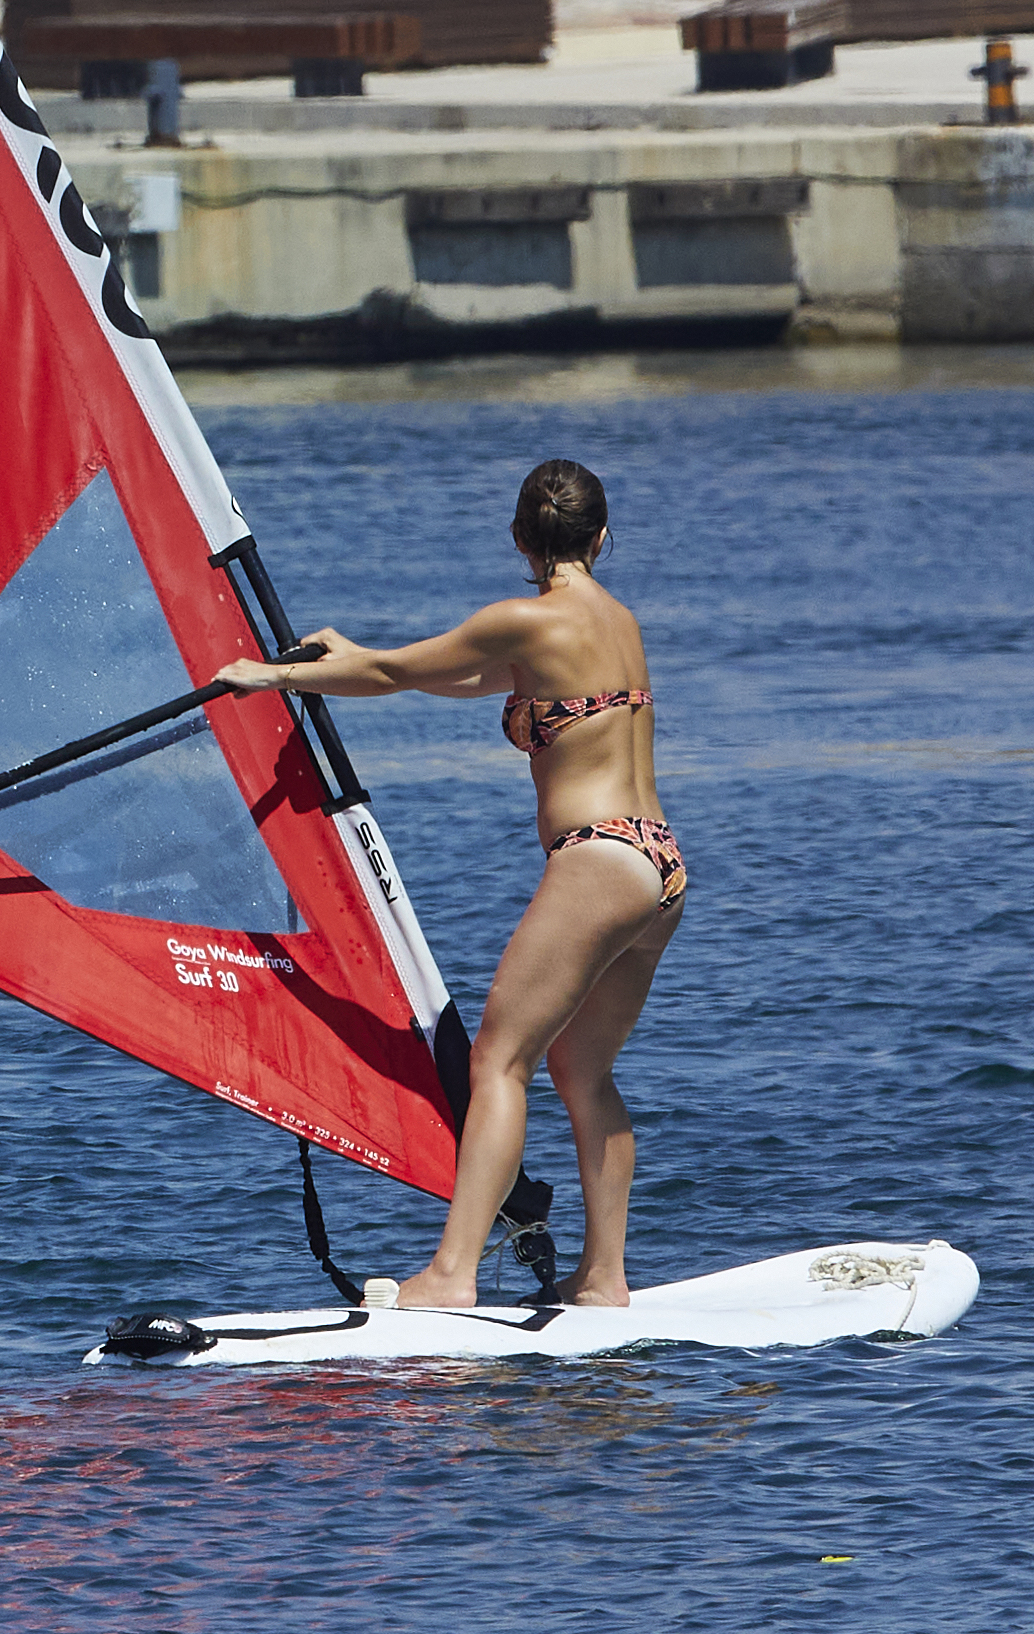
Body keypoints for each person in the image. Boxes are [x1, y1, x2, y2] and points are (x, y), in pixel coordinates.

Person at [214, 454, 683, 1308]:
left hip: (597, 859)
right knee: (583, 1072)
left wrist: (272, 675)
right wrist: (355, 656)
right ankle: (603, 1279)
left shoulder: (525, 620)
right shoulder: (616, 620)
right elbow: (440, 676)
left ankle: (451, 1276)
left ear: (516, 536)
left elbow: (395, 675)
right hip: (658, 863)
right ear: (602, 536)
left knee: (499, 1062)